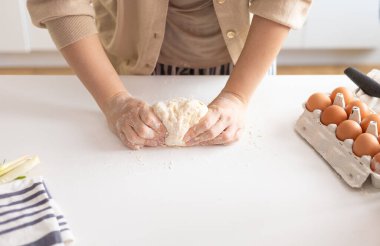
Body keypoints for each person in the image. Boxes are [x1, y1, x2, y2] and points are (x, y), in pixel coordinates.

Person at [27, 0, 312, 150]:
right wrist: (114, 100)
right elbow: (59, 1)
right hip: (133, 64)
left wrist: (237, 96)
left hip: (248, 60)